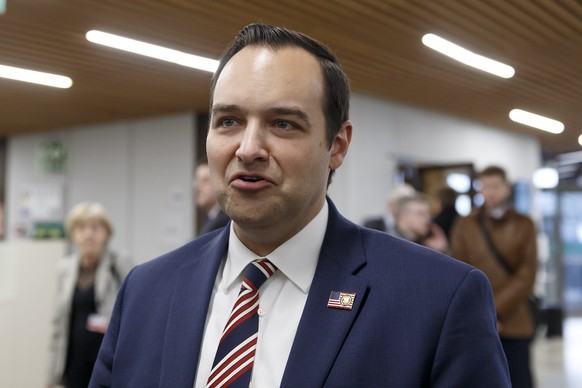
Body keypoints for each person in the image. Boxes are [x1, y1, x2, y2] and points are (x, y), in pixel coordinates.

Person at [90, 23, 510, 387]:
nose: (248, 148)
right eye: (228, 121)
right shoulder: (146, 291)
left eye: (283, 124)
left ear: (337, 145)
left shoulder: (437, 299)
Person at [450, 165, 538, 388]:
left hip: (514, 319)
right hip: (477, 318)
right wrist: (484, 312)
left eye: (495, 186)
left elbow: (527, 274)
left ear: (507, 188)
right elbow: (458, 269)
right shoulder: (465, 224)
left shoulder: (524, 224)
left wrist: (495, 310)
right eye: (485, 186)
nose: (490, 192)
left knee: (518, 378)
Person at [47, 202, 132, 388]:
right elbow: (57, 325)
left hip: (106, 362)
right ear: (73, 234)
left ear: (106, 233)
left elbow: (133, 315)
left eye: (95, 228)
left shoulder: (119, 264)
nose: (88, 234)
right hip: (73, 364)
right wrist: (50, 378)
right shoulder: (65, 269)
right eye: (81, 228)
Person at [194, 160, 230, 235]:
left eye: (205, 180)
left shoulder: (224, 222)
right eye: (197, 180)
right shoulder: (211, 218)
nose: (197, 187)